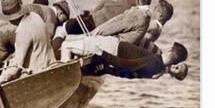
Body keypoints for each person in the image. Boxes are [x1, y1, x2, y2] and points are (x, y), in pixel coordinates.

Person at [60, 34, 188, 80]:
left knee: (66, 45)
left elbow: (125, 65)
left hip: (111, 48)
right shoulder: (157, 62)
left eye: (177, 69)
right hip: (113, 47)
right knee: (73, 41)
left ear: (171, 50)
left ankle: (61, 76)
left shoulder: (154, 62)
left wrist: (102, 54)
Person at [0, 0, 55, 84]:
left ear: (11, 18)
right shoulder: (35, 16)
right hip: (50, 65)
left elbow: (16, 67)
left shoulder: (23, 31)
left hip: (37, 74)